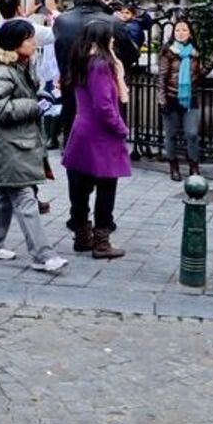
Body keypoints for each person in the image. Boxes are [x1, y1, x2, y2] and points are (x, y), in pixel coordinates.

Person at [0, 20, 69, 273]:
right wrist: (34, 105)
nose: (34, 43)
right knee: (26, 198)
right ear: (16, 43)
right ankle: (43, 255)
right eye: (28, 39)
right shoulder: (2, 71)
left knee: (6, 195)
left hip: (16, 142)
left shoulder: (18, 67)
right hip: (9, 145)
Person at [62, 20, 130, 260]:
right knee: (106, 188)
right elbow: (104, 105)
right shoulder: (101, 65)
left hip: (82, 130)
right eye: (110, 37)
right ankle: (101, 242)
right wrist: (121, 128)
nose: (113, 41)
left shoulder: (81, 60)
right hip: (101, 134)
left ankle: (82, 235)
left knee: (80, 188)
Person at [53, 0, 139, 140]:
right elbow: (131, 54)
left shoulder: (62, 21)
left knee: (75, 145)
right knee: (105, 146)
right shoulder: (114, 22)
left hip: (73, 91)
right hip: (105, 91)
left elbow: (60, 53)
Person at [158, 18, 203, 181]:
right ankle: (174, 167)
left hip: (190, 98)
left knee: (192, 133)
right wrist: (161, 100)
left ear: (190, 33)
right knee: (171, 135)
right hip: (171, 97)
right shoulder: (168, 51)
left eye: (184, 30)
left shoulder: (194, 52)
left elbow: (201, 73)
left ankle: (194, 166)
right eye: (177, 30)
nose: (181, 33)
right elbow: (162, 77)